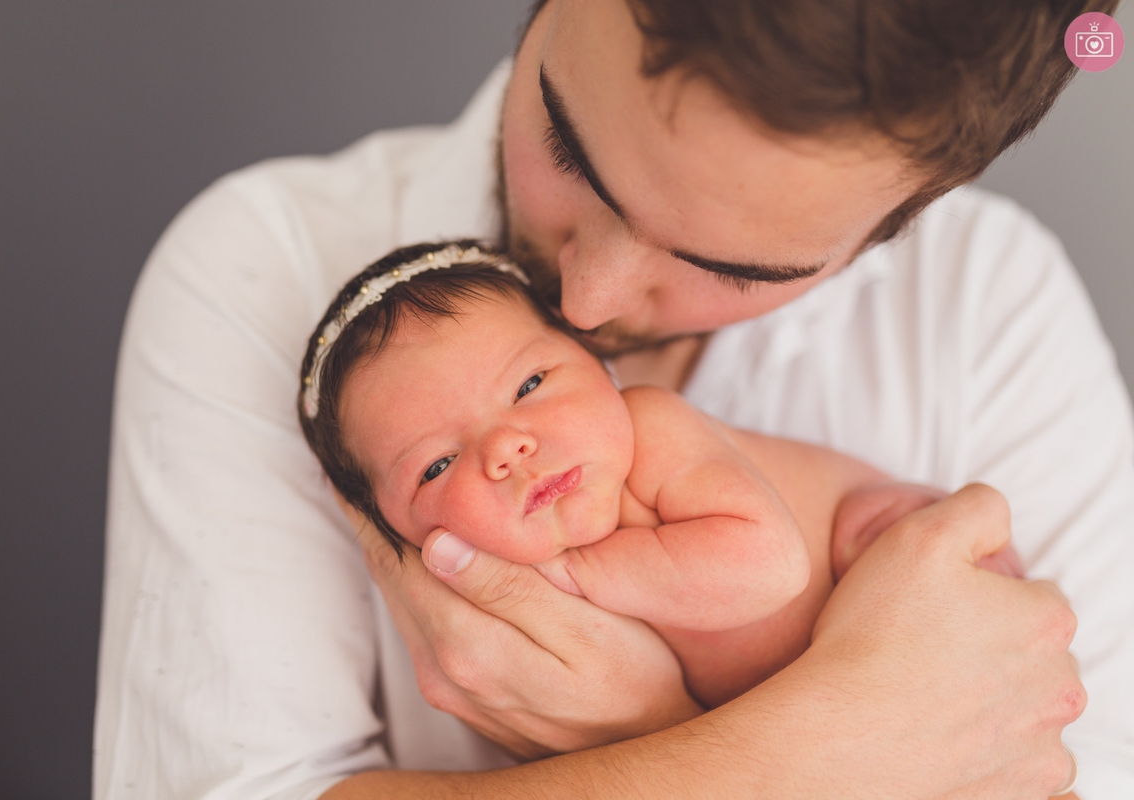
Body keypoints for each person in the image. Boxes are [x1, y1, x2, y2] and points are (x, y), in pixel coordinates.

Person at [95, 0, 1134, 798]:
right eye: (565, 144)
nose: (583, 300)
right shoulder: (265, 270)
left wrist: (642, 727)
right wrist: (838, 743)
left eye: (732, 265)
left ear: (897, 224)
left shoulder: (986, 307)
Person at [297, 241, 1024, 710]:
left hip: (881, 567)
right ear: (396, 534)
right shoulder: (483, 628)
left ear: (599, 367)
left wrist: (586, 573)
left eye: (529, 386)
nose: (508, 447)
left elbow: (768, 566)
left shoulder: (649, 430)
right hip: (832, 722)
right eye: (438, 464)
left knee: (895, 543)